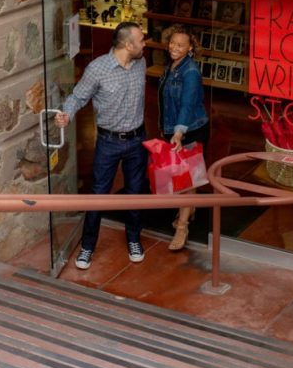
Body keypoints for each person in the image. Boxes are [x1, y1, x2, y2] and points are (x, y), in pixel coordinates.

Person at [55, 21, 148, 270]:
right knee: (98, 195)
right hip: (108, 142)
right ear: (128, 44)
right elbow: (78, 96)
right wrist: (67, 113)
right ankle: (87, 246)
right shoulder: (98, 69)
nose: (144, 44)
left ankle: (133, 240)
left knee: (135, 194)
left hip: (138, 140)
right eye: (141, 40)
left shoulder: (141, 63)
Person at [157, 24, 209, 251]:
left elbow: (187, 105)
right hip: (173, 130)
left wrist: (178, 132)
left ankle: (183, 227)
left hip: (189, 130)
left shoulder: (191, 72)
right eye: (172, 42)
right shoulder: (171, 66)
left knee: (188, 181)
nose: (174, 47)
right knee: (182, 177)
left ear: (190, 48)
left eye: (180, 45)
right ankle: (190, 208)